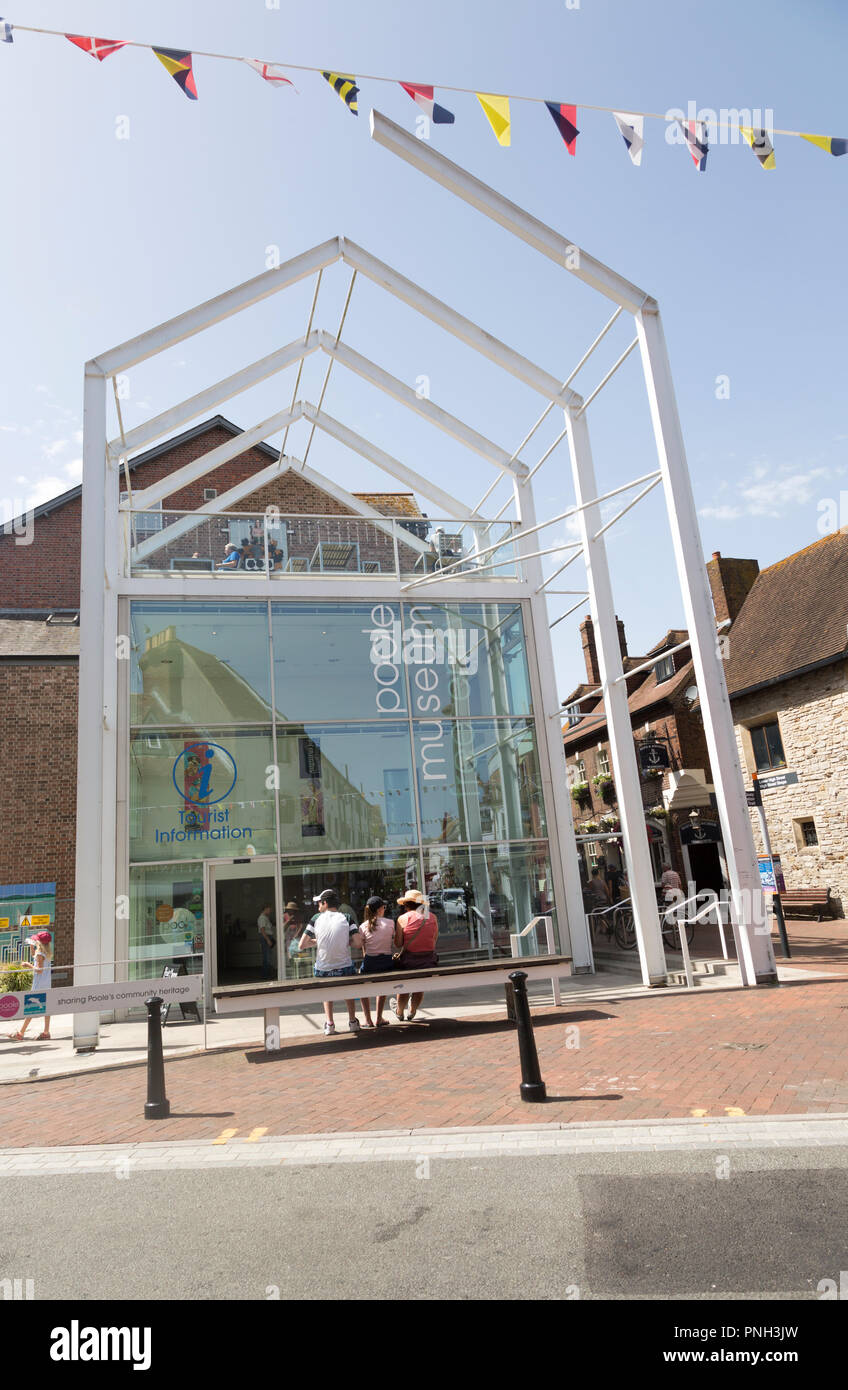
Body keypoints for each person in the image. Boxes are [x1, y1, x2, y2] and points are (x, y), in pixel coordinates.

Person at [298, 888, 363, 1035]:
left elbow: (302, 945)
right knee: (348, 987)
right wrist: (345, 942)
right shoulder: (346, 917)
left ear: (325, 903)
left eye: (319, 903)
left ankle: (330, 1024)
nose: (318, 906)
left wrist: (318, 942)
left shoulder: (316, 919)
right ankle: (352, 1021)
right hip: (344, 968)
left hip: (323, 970)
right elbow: (358, 943)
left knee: (326, 991)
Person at [392, 890, 439, 1023]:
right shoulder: (433, 917)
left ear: (406, 904)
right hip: (429, 960)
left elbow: (398, 943)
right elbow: (434, 940)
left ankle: (399, 1012)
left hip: (409, 962)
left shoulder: (402, 919)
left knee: (404, 985)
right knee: (419, 985)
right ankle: (412, 1011)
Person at [357, 896, 401, 1028]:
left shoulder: (363, 926)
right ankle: (379, 1017)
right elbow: (394, 943)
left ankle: (368, 1019)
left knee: (361, 987)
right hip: (386, 962)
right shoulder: (390, 923)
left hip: (371, 961)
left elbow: (363, 949)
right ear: (380, 909)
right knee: (382, 985)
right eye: (384, 907)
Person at [8, 931, 53, 1041]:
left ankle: (21, 1033)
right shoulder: (46, 954)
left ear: (39, 942)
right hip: (46, 984)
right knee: (46, 1008)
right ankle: (46, 1031)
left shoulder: (39, 954)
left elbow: (39, 970)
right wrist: (32, 947)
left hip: (38, 985)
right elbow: (36, 958)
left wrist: (28, 965)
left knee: (30, 1008)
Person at [257, 903, 276, 979]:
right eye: (269, 909)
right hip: (265, 938)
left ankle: (267, 974)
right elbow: (262, 930)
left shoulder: (265, 917)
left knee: (268, 956)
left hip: (267, 937)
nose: (270, 911)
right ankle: (265, 975)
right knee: (266, 957)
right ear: (265, 909)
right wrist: (268, 940)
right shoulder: (262, 918)